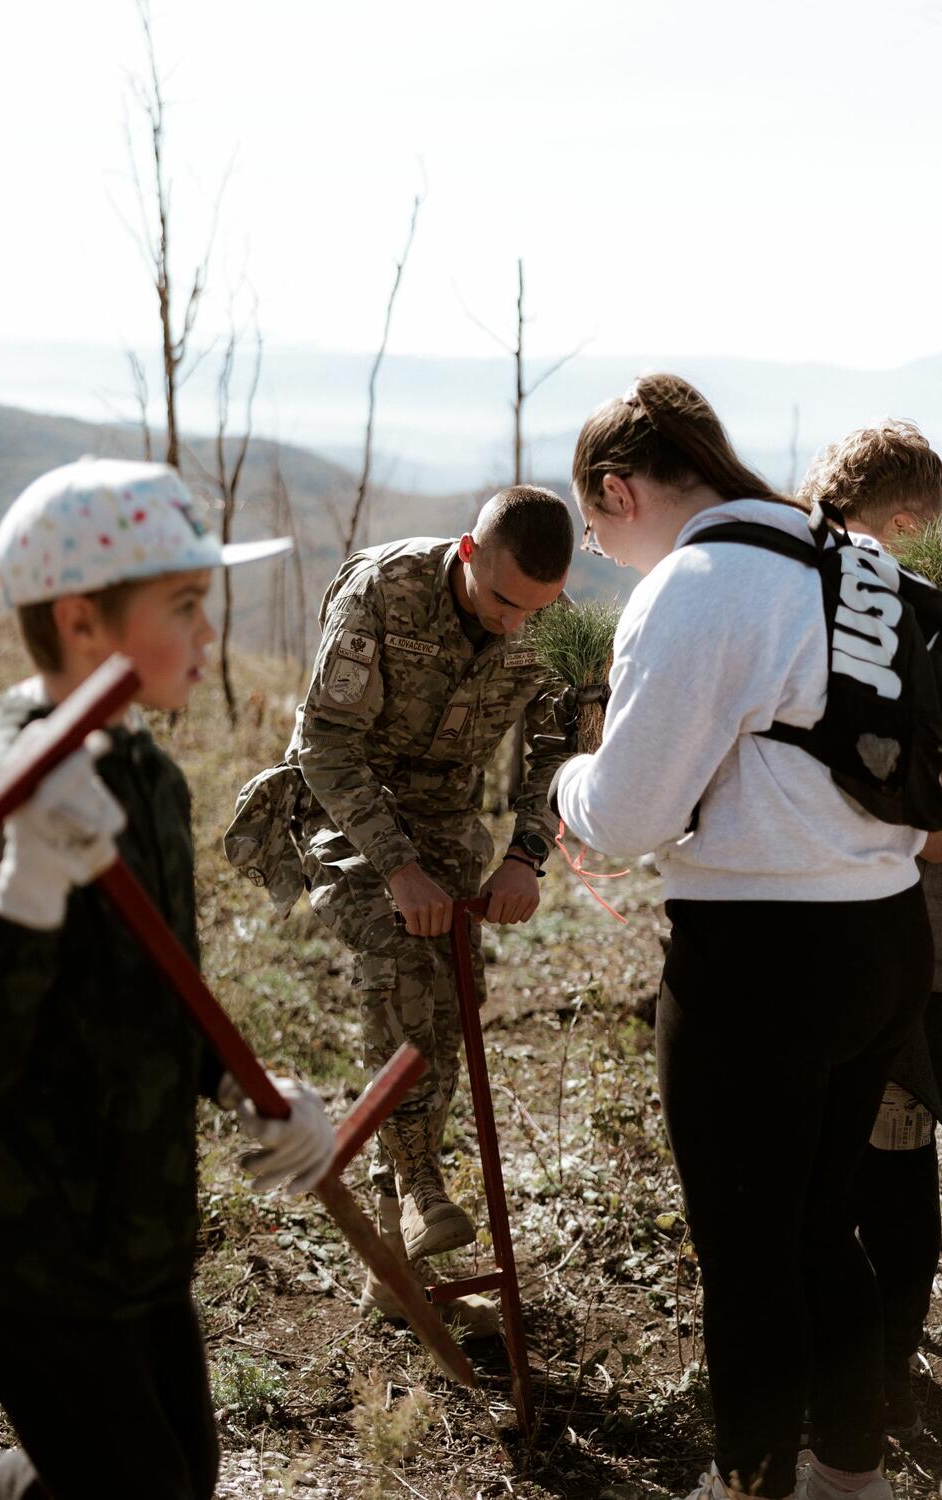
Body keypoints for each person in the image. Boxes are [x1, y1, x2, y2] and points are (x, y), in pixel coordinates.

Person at [552, 377, 931, 1500]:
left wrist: (566, 784)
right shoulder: (857, 566)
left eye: (596, 530)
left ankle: (750, 1484)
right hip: (886, 940)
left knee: (748, 1254)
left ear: (618, 491)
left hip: (759, 967)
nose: (608, 556)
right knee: (824, 1225)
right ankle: (846, 1477)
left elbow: (624, 817)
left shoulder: (697, 586)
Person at [0, 458, 336, 1500]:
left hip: (137, 1215)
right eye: (186, 605)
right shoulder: (9, 788)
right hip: (25, 1230)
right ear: (81, 624)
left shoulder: (147, 776)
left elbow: (158, 990)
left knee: (172, 1475)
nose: (211, 631)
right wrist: (25, 887)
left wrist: (246, 1086)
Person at [252, 485, 573, 1329]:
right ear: (469, 554)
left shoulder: (548, 621)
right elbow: (325, 742)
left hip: (447, 822)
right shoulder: (382, 589)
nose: (514, 623)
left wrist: (524, 856)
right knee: (399, 958)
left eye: (534, 608)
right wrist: (396, 870)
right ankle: (424, 1186)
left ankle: (393, 1252)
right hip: (339, 805)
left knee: (450, 999)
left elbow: (558, 754)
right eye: (502, 600)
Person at [798, 419, 942, 1437]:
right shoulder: (874, 606)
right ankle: (869, 1378)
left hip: (853, 941)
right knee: (876, 1161)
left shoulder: (784, 587)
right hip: (878, 940)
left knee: (872, 1156)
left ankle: (874, 1372)